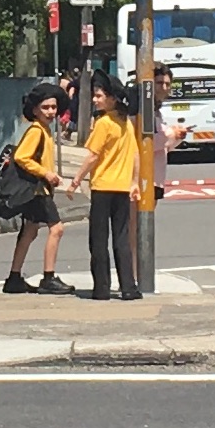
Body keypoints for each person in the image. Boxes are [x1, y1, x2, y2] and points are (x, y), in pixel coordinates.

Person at [67, 74, 140, 300]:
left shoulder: (104, 123)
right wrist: (134, 182)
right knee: (121, 237)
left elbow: (92, 157)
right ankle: (128, 286)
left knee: (98, 240)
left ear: (111, 99)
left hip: (102, 187)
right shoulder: (125, 122)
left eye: (99, 96)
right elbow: (136, 154)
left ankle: (102, 288)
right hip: (122, 188)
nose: (96, 100)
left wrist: (76, 180)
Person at [3, 84, 71, 295]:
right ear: (35, 110)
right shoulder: (36, 131)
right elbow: (22, 157)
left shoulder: (44, 130)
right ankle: (48, 277)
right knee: (57, 228)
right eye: (45, 107)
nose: (51, 111)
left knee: (30, 230)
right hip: (38, 190)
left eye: (53, 107)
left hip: (39, 189)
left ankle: (14, 277)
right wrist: (46, 174)